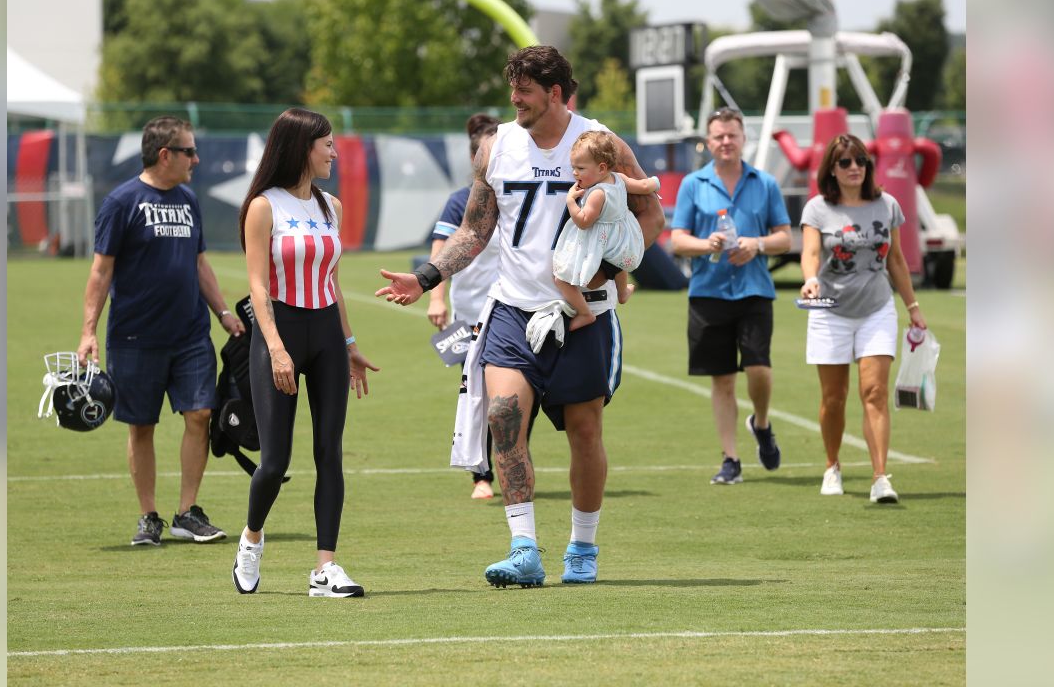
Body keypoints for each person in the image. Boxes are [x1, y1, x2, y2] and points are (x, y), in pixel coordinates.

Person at [377, 45, 664, 587]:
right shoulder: (498, 147)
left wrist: (610, 268)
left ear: (554, 93)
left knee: (584, 429)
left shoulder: (599, 142)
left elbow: (651, 215)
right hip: (512, 308)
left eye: (525, 91)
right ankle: (524, 547)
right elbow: (474, 229)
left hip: (584, 312)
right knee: (503, 417)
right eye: (512, 89)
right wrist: (427, 277)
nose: (514, 101)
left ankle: (582, 546)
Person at [231, 108, 380, 597]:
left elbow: (332, 283)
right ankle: (251, 540)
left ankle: (325, 569)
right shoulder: (262, 207)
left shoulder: (330, 206)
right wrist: (275, 348)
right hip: (281, 332)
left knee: (329, 453)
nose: (335, 153)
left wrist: (351, 344)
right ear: (303, 147)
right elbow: (256, 286)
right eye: (328, 145)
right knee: (274, 460)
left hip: (327, 338)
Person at [79, 116, 243, 546]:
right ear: (165, 154)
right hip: (135, 337)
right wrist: (88, 332)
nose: (196, 158)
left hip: (190, 333)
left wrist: (223, 311)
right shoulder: (121, 202)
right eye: (189, 151)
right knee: (141, 426)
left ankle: (187, 513)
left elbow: (199, 263)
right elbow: (101, 270)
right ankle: (148, 516)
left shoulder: (188, 199)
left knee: (201, 415)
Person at [799, 134, 927, 504]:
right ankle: (832, 465)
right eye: (845, 162)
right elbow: (809, 252)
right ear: (832, 170)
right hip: (829, 311)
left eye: (861, 161)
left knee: (874, 393)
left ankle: (879, 477)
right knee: (833, 399)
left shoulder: (887, 205)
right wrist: (810, 279)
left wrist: (913, 307)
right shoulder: (818, 208)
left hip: (876, 309)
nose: (854, 167)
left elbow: (897, 260)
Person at [670, 107, 792, 486]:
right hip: (708, 292)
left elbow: (785, 238)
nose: (725, 142)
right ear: (708, 142)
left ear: (743, 139)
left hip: (754, 289)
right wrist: (708, 243)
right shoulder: (694, 184)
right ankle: (731, 458)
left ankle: (761, 421)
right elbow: (677, 240)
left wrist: (756, 244)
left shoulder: (765, 183)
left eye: (732, 135)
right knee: (722, 380)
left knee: (758, 367)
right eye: (718, 136)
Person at [427, 113, 502, 500]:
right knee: (481, 393)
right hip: (471, 311)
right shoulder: (460, 201)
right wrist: (437, 297)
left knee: (515, 392)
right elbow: (441, 248)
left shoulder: (517, 194)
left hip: (517, 306)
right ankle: (481, 474)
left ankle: (506, 459)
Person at [554, 129, 662, 329]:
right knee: (618, 260)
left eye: (580, 168)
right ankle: (622, 293)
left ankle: (585, 312)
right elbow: (643, 186)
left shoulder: (597, 194)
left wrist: (571, 202)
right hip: (620, 236)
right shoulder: (619, 178)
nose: (574, 173)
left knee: (561, 278)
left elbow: (584, 221)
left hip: (599, 239)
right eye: (573, 167)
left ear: (602, 168)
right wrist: (655, 183)